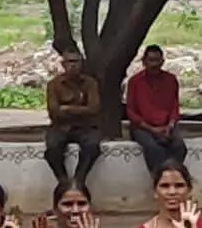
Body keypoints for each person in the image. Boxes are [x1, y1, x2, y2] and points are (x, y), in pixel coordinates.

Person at [43, 54, 108, 189]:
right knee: (52, 148)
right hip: (61, 126)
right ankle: (63, 180)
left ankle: (79, 180)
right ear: (63, 64)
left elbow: (94, 109)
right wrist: (81, 110)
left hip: (86, 126)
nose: (73, 65)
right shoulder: (54, 84)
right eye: (69, 62)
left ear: (82, 64)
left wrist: (67, 109)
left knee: (92, 146)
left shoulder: (90, 83)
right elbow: (54, 112)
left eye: (76, 62)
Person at [123, 46, 187, 175]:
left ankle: (174, 176)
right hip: (142, 127)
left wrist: (170, 125)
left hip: (166, 125)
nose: (154, 64)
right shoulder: (135, 81)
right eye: (151, 60)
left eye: (157, 60)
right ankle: (158, 178)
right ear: (144, 61)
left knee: (179, 146)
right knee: (154, 148)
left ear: (162, 62)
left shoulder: (171, 80)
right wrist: (151, 129)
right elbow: (131, 111)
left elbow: (174, 107)